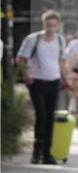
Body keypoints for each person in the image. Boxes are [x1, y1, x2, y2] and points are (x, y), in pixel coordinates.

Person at [16, 10, 67, 164]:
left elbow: (61, 62)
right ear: (44, 24)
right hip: (36, 81)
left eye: (53, 24)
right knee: (41, 115)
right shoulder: (33, 39)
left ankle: (47, 154)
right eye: (48, 24)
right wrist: (26, 75)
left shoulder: (60, 40)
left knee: (50, 117)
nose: (50, 27)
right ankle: (36, 152)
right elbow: (20, 59)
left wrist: (67, 79)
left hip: (54, 81)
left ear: (57, 25)